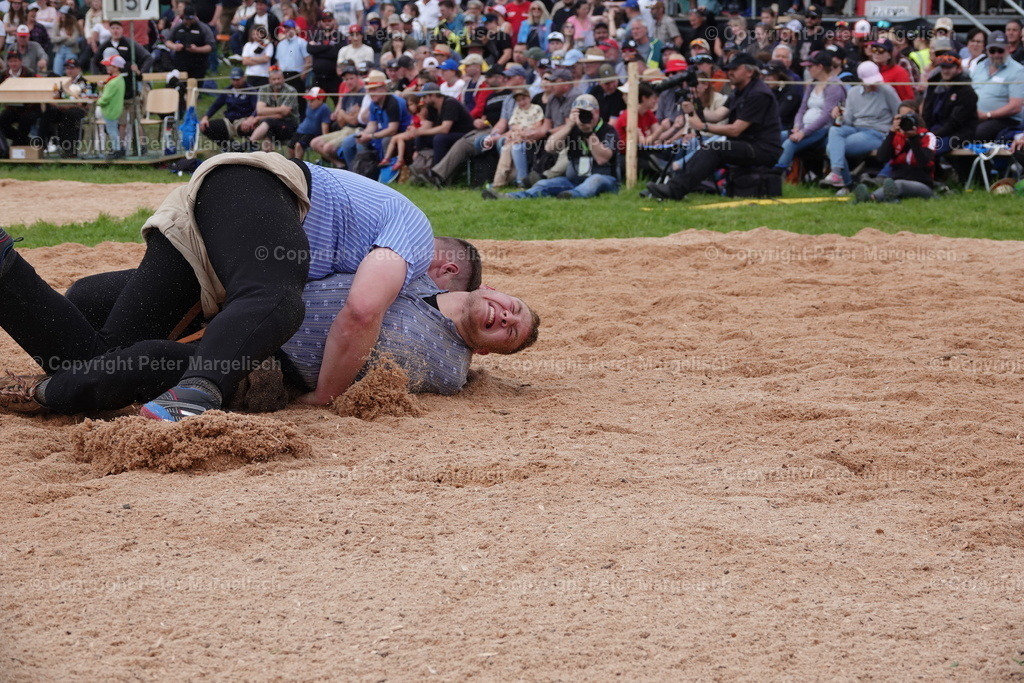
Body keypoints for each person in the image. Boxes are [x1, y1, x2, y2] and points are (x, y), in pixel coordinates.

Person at [0, 155, 491, 421]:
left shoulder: (350, 255)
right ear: (445, 268)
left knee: (95, 352)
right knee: (279, 299)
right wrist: (325, 396)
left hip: (204, 239)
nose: (417, 294)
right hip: (253, 187)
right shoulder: (415, 235)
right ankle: (197, 392)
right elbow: (363, 309)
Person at [646, 53, 782, 201]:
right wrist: (694, 106)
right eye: (729, 68)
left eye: (735, 69)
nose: (730, 72)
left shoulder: (758, 94)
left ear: (750, 72)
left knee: (714, 149)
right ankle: (673, 185)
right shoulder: (739, 91)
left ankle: (674, 189)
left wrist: (703, 126)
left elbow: (735, 130)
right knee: (710, 148)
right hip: (748, 145)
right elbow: (716, 115)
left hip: (763, 149)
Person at [483, 93, 618, 200]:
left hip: (603, 178)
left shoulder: (608, 130)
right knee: (543, 184)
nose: (585, 116)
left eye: (588, 112)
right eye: (580, 112)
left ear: (597, 112)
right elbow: (550, 147)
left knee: (594, 181)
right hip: (574, 179)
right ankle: (510, 197)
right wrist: (569, 125)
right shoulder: (572, 128)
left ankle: (571, 195)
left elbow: (602, 159)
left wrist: (589, 133)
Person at [819, 61, 900, 190]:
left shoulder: (887, 90)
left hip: (876, 132)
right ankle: (840, 177)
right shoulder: (853, 92)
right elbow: (849, 121)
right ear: (861, 80)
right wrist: (839, 114)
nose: (874, 85)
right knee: (834, 130)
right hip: (855, 128)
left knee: (832, 149)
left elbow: (898, 113)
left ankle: (844, 181)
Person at [775, 50, 844, 171]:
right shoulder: (812, 84)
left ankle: (774, 177)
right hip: (803, 127)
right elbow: (802, 109)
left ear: (820, 67)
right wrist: (797, 126)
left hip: (822, 130)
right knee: (775, 137)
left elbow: (826, 116)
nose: (807, 70)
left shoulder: (834, 86)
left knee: (789, 144)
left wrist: (803, 133)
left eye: (810, 66)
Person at [852, 111, 937, 203]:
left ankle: (870, 198)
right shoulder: (897, 137)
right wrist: (892, 132)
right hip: (896, 179)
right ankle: (871, 198)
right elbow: (882, 158)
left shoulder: (927, 136)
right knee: (894, 184)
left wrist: (913, 138)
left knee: (899, 184)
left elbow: (923, 162)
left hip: (922, 183)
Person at [971, 30, 1024, 142]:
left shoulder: (1018, 71)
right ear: (986, 50)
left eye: (1000, 50)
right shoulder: (979, 67)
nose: (996, 55)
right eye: (992, 51)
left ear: (1008, 49)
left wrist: (987, 115)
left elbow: (1016, 106)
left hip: (1006, 119)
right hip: (976, 116)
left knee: (979, 132)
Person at [922, 51, 977, 156]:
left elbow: (955, 122)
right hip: (936, 130)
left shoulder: (966, 91)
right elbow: (927, 112)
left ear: (958, 69)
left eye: (949, 68)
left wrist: (932, 135)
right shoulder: (934, 86)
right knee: (911, 146)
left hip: (958, 134)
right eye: (943, 67)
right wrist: (925, 132)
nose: (945, 71)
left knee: (927, 151)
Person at [491, 86, 544, 187]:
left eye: (523, 99)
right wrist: (518, 131)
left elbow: (538, 124)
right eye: (518, 100)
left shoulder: (536, 108)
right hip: (517, 136)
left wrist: (522, 130)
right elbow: (512, 124)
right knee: (505, 149)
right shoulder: (517, 110)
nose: (521, 102)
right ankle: (500, 180)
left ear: (529, 98)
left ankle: (520, 179)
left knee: (516, 148)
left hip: (530, 136)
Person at [200, 66, 259, 152]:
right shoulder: (227, 90)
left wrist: (252, 118)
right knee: (207, 127)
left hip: (244, 120)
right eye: (233, 79)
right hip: (229, 120)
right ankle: (230, 146)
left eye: (238, 79)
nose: (236, 82)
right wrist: (206, 117)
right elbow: (216, 105)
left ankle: (252, 144)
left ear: (243, 78)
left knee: (248, 126)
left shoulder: (251, 90)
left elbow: (257, 108)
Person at [244, 66, 300, 152]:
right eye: (274, 79)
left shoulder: (290, 90)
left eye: (279, 79)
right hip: (271, 125)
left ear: (283, 79)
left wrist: (261, 116)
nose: (277, 81)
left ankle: (249, 144)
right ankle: (265, 158)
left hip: (289, 124)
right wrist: (279, 111)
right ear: (269, 80)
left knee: (267, 123)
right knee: (268, 128)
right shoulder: (264, 89)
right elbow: (260, 110)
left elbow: (285, 112)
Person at [166, 6, 215, 81]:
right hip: (181, 63)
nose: (188, 21)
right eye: (186, 19)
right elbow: (168, 41)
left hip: (198, 64)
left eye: (191, 19)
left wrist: (197, 49)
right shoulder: (177, 27)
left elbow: (211, 46)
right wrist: (175, 46)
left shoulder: (203, 28)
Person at [289, 86, 332, 159]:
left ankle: (298, 165)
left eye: (312, 101)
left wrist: (325, 139)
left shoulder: (324, 108)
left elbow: (325, 125)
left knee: (299, 145)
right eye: (308, 100)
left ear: (320, 100)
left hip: (312, 134)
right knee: (290, 146)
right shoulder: (310, 106)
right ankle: (290, 163)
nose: (309, 103)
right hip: (301, 130)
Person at [96, 53, 125, 159]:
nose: (106, 67)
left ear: (116, 67)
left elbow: (105, 98)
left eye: (109, 66)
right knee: (113, 130)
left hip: (110, 110)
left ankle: (116, 149)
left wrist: (98, 101)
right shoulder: (119, 80)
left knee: (112, 130)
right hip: (115, 109)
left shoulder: (113, 82)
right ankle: (116, 148)